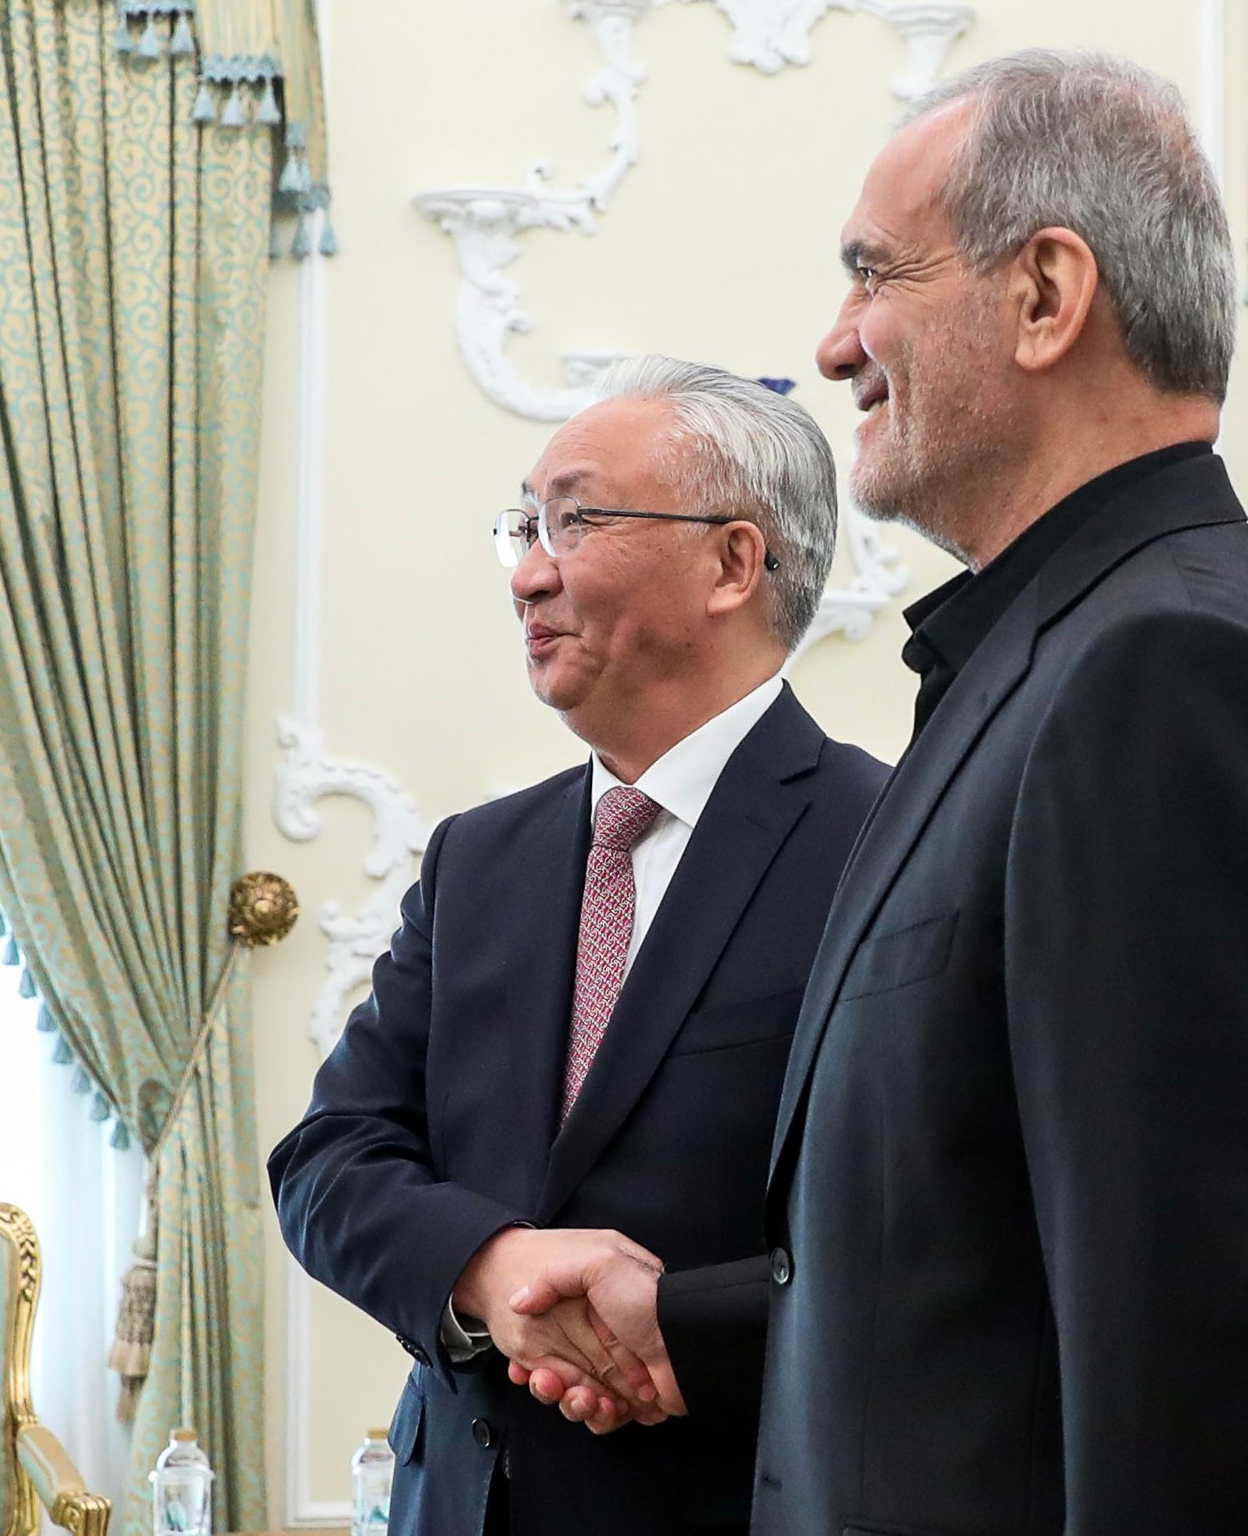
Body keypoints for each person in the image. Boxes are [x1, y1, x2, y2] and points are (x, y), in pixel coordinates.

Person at [510, 51, 1248, 1535]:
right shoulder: (1059, 658)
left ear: (1046, 296)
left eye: (873, 273)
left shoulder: (1166, 675)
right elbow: (979, 1249)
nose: (831, 344)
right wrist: (689, 1317)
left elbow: (1205, 1376)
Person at [267, 356, 887, 1536]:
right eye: (524, 525)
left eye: (577, 519)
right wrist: (490, 1269)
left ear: (732, 562)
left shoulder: (889, 845)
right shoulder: (476, 859)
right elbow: (328, 1156)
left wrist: (675, 1329)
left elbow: (926, 1236)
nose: (528, 572)